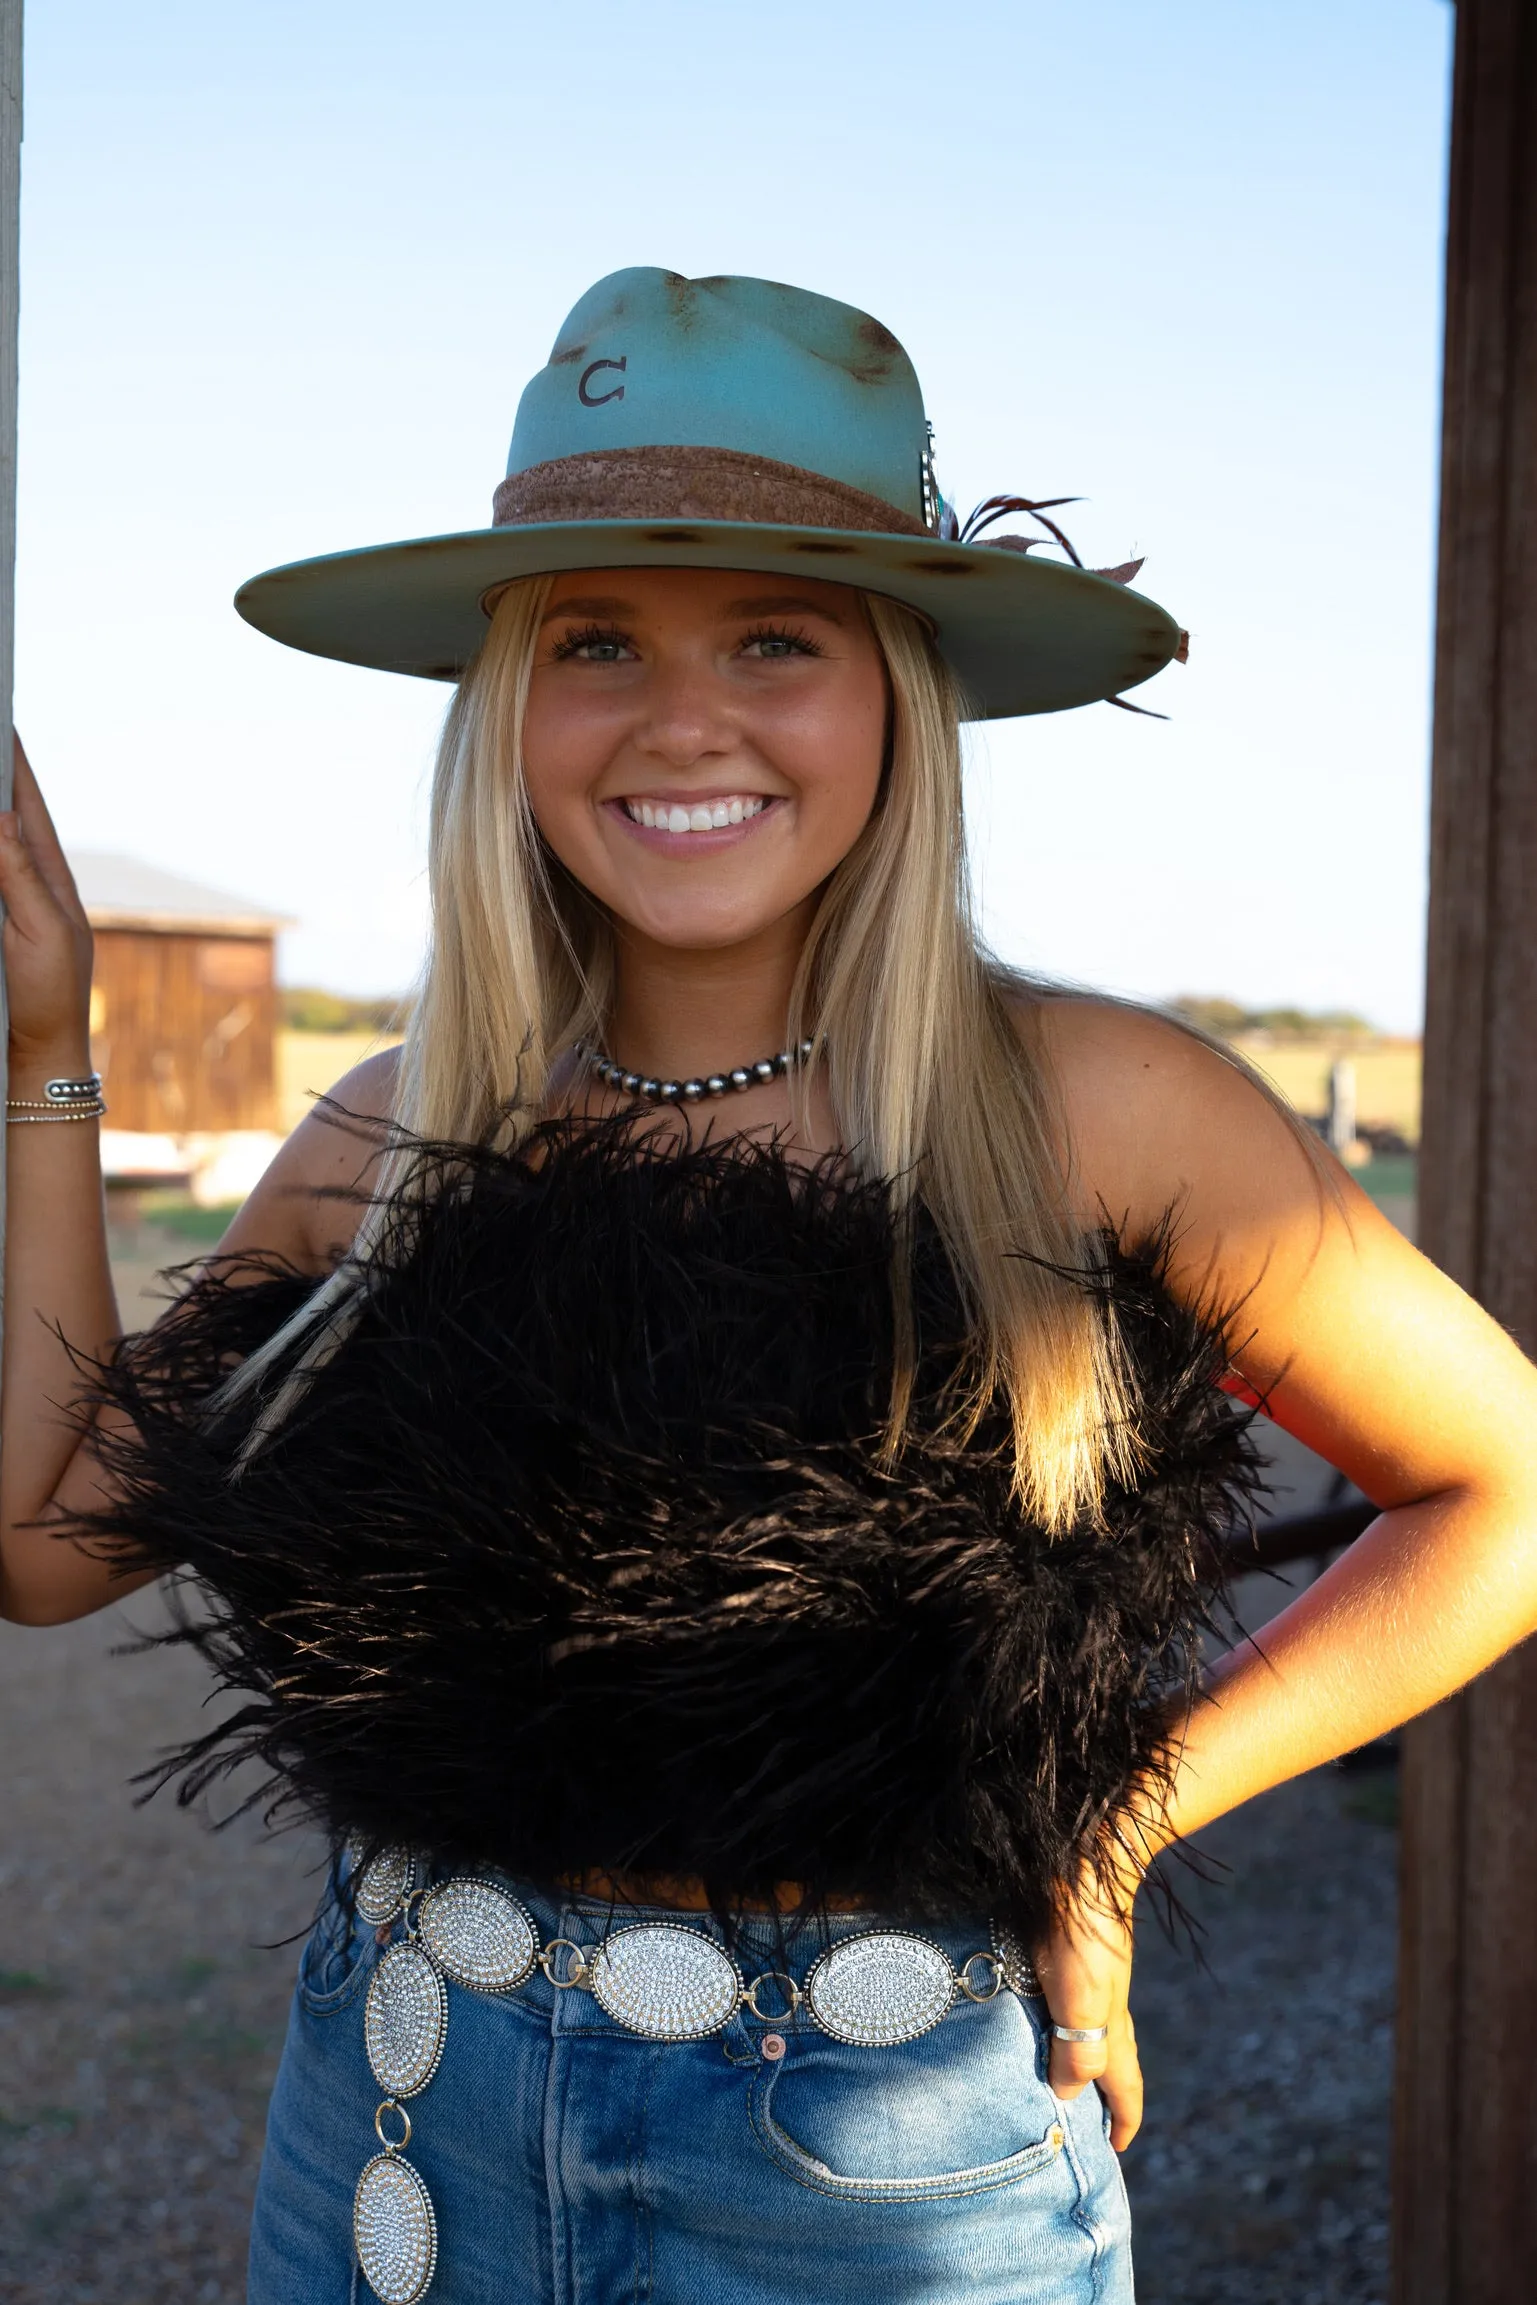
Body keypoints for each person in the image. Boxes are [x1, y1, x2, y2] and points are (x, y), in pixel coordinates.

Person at [2, 267, 1535, 2305]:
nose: (683, 715)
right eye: (600, 638)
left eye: (778, 636)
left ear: (897, 683)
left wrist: (1122, 1816)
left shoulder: (1100, 1105)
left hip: (886, 2180)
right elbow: (43, 1547)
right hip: (397, 2133)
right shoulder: (398, 1128)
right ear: (509, 701)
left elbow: (1500, 1488)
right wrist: (43, 1060)